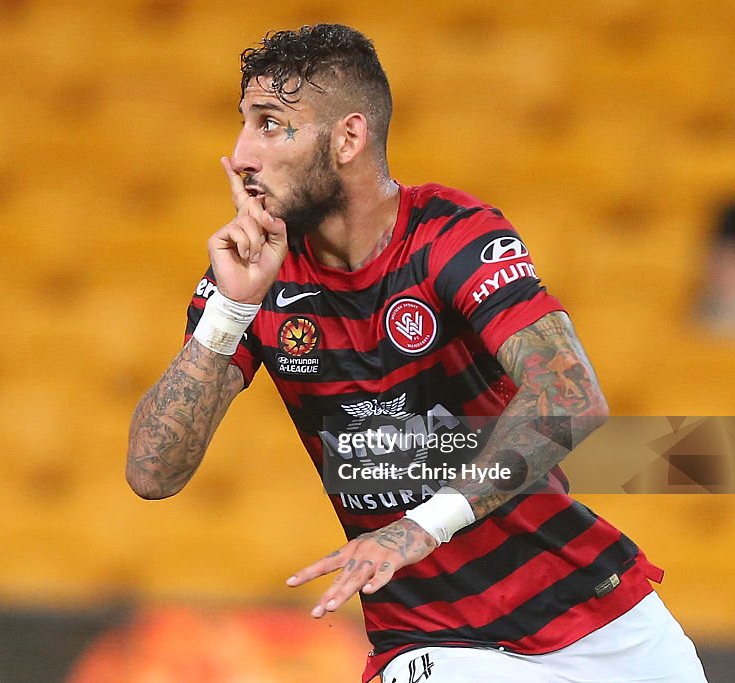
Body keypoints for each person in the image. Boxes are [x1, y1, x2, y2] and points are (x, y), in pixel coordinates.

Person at [126, 24, 708, 683]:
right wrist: (229, 311)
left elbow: (570, 395)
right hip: (434, 644)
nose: (241, 154)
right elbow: (152, 471)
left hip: (597, 614)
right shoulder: (254, 275)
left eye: (270, 123)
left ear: (347, 138)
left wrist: (419, 527)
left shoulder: (448, 235)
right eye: (243, 123)